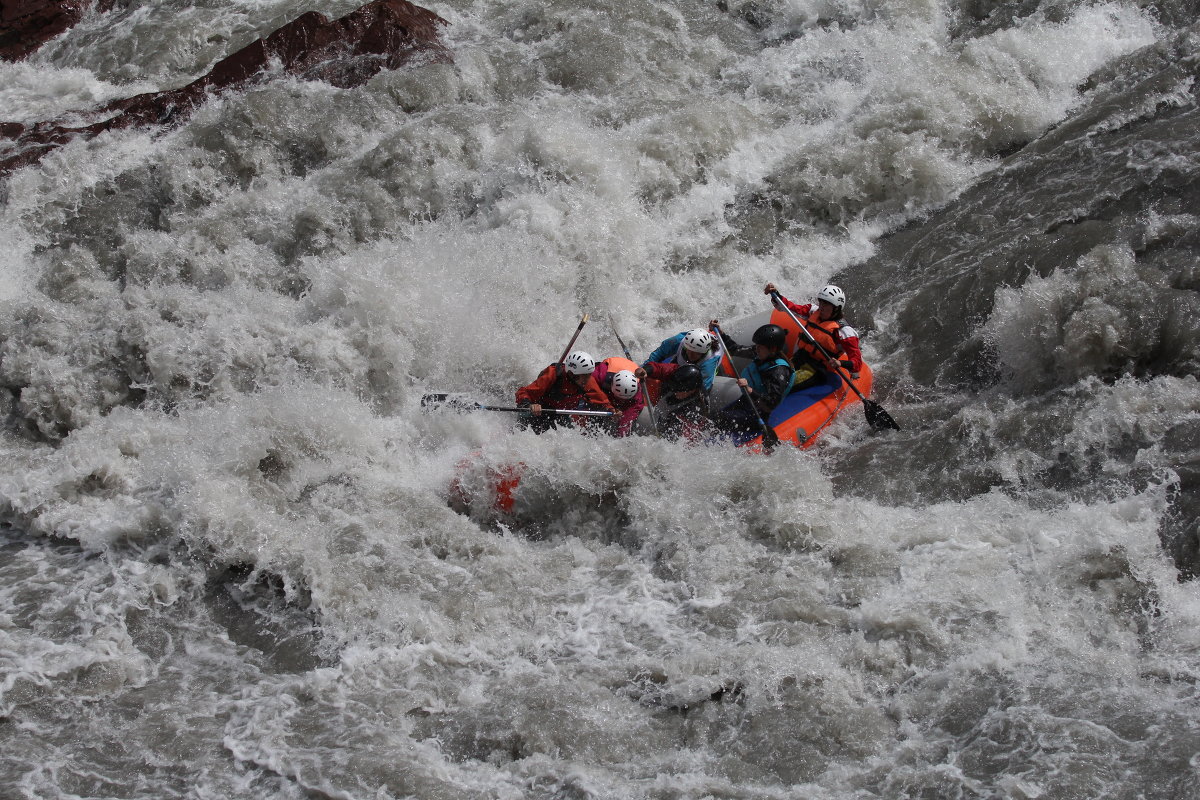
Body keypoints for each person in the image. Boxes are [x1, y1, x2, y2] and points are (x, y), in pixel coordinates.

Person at [764, 282, 863, 387]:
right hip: (799, 357)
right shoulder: (813, 311)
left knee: (782, 382)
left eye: (826, 304)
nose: (821, 307)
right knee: (771, 373)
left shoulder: (844, 332)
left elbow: (857, 362)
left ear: (836, 308)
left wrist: (841, 363)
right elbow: (788, 307)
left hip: (815, 368)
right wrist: (775, 294)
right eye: (821, 303)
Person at [711, 323, 794, 437]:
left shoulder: (779, 371)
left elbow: (771, 404)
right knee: (714, 416)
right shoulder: (761, 352)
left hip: (758, 413)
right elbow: (735, 349)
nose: (756, 348)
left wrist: (749, 390)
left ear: (773, 349)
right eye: (757, 345)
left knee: (718, 419)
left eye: (760, 346)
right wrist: (721, 333)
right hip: (746, 402)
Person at [515, 351, 615, 433]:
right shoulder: (553, 374)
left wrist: (611, 409)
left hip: (561, 414)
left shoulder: (587, 380)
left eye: (589, 375)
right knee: (523, 430)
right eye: (585, 376)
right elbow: (524, 392)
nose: (588, 379)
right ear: (572, 374)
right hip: (540, 411)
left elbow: (601, 399)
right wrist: (529, 405)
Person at [636, 363, 710, 441]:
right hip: (665, 410)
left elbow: (686, 439)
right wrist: (645, 370)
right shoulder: (677, 372)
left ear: (692, 390)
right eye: (676, 389)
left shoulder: (696, 409)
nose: (676, 392)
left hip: (677, 422)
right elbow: (660, 368)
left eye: (680, 390)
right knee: (650, 379)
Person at [642, 327, 725, 394]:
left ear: (704, 352)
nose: (691, 356)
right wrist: (645, 368)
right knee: (666, 385)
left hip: (700, 369)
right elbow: (659, 353)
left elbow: (704, 388)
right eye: (689, 350)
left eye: (696, 353)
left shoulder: (709, 362)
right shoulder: (679, 340)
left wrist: (686, 394)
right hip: (680, 364)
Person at [592, 357, 644, 438]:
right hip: (610, 370)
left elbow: (629, 417)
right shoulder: (599, 375)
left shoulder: (637, 396)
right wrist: (609, 407)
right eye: (619, 398)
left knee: (625, 431)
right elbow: (590, 391)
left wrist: (622, 436)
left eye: (624, 399)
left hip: (625, 386)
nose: (621, 401)